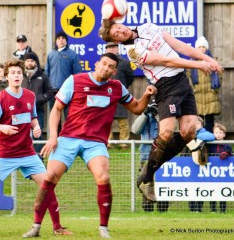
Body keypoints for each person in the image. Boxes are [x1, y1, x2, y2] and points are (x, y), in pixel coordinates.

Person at [22, 53, 157, 239]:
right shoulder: (74, 81)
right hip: (68, 138)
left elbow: (136, 108)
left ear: (114, 71)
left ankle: (103, 229)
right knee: (50, 177)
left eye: (110, 67)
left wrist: (147, 96)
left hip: (95, 143)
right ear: (97, 63)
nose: (106, 68)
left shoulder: (117, 87)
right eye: (103, 64)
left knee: (103, 177)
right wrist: (53, 137)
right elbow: (56, 109)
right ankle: (36, 226)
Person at [99, 19, 223, 203]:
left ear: (121, 24)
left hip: (182, 81)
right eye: (115, 34)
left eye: (118, 28)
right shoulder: (133, 51)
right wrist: (198, 65)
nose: (119, 32)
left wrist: (208, 59)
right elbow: (167, 61)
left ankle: (149, 170)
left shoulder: (148, 27)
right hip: (165, 86)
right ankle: (148, 178)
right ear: (116, 41)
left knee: (189, 133)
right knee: (165, 133)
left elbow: (179, 46)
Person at [0, 60, 71, 237]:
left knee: (47, 186)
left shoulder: (30, 96)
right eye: (12, 73)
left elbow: (33, 117)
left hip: (26, 152)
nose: (16, 75)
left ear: (22, 75)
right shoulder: (0, 99)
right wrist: (2, 128)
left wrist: (36, 127)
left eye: (19, 72)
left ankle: (57, 227)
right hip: (4, 152)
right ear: (6, 77)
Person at [131, 100, 169, 212]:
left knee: (162, 184)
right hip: (146, 156)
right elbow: (135, 130)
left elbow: (166, 130)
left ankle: (162, 210)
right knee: (146, 183)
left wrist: (158, 115)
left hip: (162, 156)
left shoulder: (165, 115)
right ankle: (147, 209)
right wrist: (145, 114)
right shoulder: (145, 115)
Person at [45, 31, 82, 122]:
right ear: (56, 41)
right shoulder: (51, 55)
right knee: (54, 116)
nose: (61, 40)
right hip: (53, 90)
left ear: (66, 41)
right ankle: (55, 136)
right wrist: (47, 87)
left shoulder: (72, 55)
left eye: (63, 38)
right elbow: (47, 72)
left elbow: (77, 73)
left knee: (68, 116)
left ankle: (67, 135)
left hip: (67, 90)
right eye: (59, 38)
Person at [187, 36, 222, 132]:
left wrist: (215, 89)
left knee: (210, 121)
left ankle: (211, 143)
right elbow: (188, 77)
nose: (201, 49)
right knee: (198, 121)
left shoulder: (212, 61)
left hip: (210, 95)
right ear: (196, 48)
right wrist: (193, 89)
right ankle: (200, 143)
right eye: (199, 47)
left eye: (203, 47)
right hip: (197, 95)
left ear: (207, 48)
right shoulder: (192, 62)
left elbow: (219, 75)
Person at [105, 42, 134, 149]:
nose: (111, 49)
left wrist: (123, 87)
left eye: (113, 47)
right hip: (106, 95)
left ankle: (124, 143)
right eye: (109, 48)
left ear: (118, 49)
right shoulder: (103, 63)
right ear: (106, 50)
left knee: (123, 121)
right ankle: (108, 142)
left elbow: (130, 77)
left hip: (121, 95)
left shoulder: (125, 63)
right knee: (107, 121)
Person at [22, 51, 53, 152]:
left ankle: (39, 159)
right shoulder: (20, 76)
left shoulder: (42, 76)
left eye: (32, 61)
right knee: (22, 135)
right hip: (21, 111)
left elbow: (49, 91)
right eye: (27, 61)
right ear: (24, 62)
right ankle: (23, 158)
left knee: (37, 134)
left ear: (36, 62)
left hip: (38, 111)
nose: (29, 63)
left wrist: (41, 98)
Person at [187, 116, 215, 212]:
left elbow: (211, 137)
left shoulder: (204, 133)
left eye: (197, 123)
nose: (195, 125)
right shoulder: (187, 132)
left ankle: (199, 208)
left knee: (201, 186)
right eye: (194, 124)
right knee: (190, 186)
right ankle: (191, 208)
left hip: (201, 162)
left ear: (201, 125)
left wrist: (196, 136)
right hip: (189, 163)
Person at [207, 123, 234, 213]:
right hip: (212, 172)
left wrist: (228, 153)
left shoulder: (227, 145)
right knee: (213, 190)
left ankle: (223, 210)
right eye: (216, 132)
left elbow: (233, 156)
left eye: (221, 133)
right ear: (213, 133)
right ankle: (213, 209)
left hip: (223, 172)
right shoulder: (210, 144)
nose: (218, 134)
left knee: (223, 191)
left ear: (224, 134)